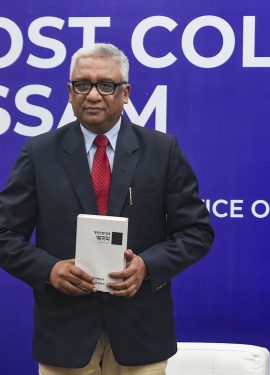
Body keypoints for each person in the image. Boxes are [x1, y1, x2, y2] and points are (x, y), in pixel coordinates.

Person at [0, 43, 214, 374]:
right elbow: (4, 234)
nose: (94, 95)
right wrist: (49, 269)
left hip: (141, 332)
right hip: (64, 335)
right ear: (70, 93)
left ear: (126, 93)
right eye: (82, 85)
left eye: (107, 85)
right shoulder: (39, 153)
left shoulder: (162, 151)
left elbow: (198, 231)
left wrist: (146, 265)